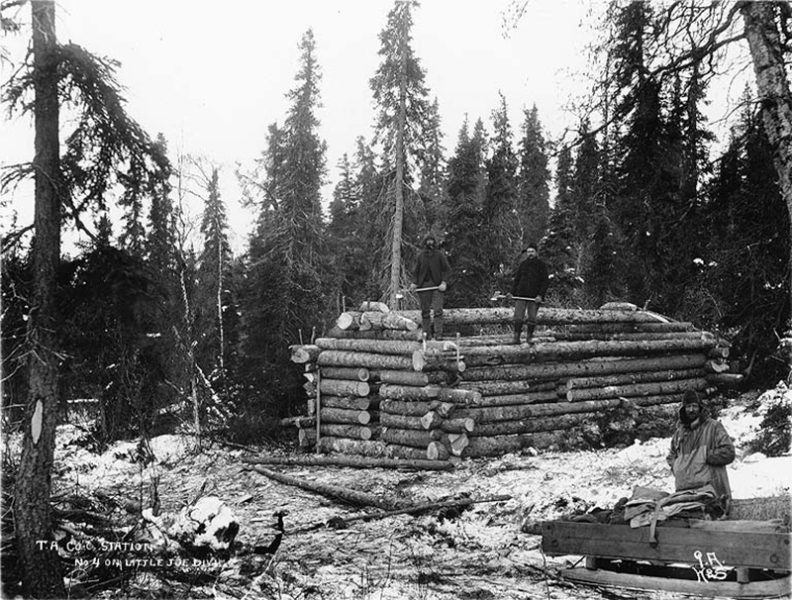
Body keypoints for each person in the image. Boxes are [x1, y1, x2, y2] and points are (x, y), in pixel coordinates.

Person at [666, 390, 735, 510]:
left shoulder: (713, 427)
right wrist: (677, 466)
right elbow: (671, 456)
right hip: (685, 495)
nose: (691, 410)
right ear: (683, 409)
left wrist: (705, 456)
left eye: (694, 406)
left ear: (700, 407)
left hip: (711, 492)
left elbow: (729, 452)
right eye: (688, 406)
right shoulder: (679, 433)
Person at [411, 234, 450, 340]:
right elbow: (416, 272)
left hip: (437, 287)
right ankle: (426, 334)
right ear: (424, 243)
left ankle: (438, 334)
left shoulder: (439, 255)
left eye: (431, 241)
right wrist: (414, 283)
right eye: (428, 241)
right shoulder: (420, 256)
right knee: (425, 312)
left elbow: (447, 270)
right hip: (423, 287)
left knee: (438, 311)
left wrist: (444, 282)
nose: (430, 243)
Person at [509, 244, 548, 344]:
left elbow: (545, 282)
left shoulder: (541, 265)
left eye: (532, 251)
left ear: (536, 252)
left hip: (534, 297)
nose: (530, 254)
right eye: (528, 252)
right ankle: (516, 337)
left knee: (532, 318)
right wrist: (511, 292)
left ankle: (529, 337)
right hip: (521, 295)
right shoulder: (523, 265)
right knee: (518, 317)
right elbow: (517, 280)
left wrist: (540, 295)